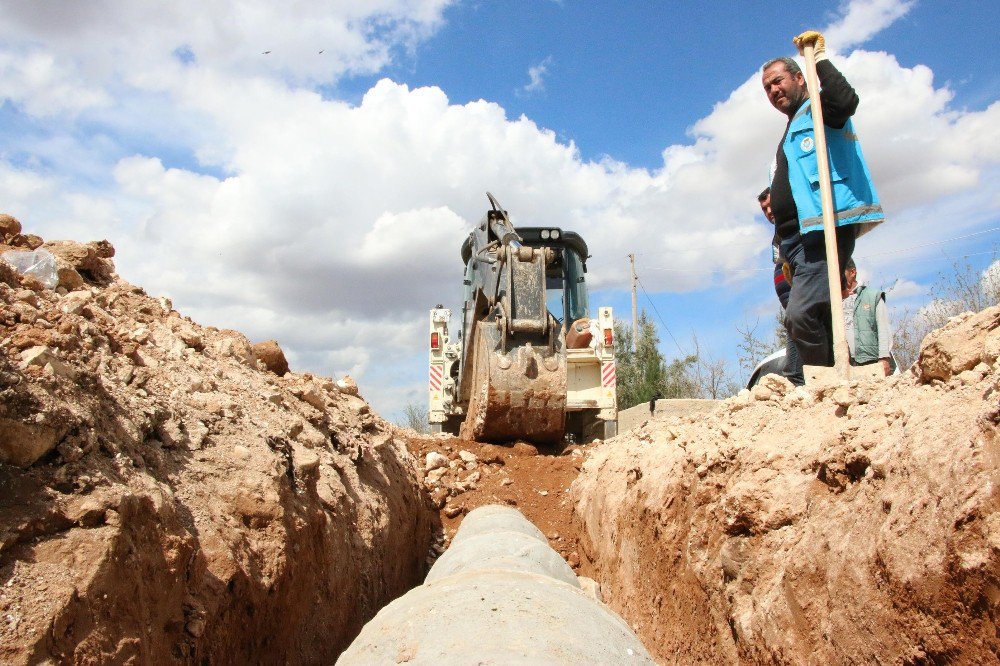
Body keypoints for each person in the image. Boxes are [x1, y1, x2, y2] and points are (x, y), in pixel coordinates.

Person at [762, 31, 884, 384]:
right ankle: (839, 381)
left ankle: (824, 385)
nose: (773, 91)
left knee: (799, 316)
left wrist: (818, 59)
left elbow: (845, 100)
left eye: (778, 82)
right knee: (820, 315)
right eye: (767, 88)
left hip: (821, 232)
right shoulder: (792, 126)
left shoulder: (818, 110)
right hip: (797, 244)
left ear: (799, 78)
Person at [758, 187, 803, 384]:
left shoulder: (795, 226)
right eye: (764, 210)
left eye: (770, 206)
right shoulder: (780, 236)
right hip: (793, 303)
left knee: (799, 326)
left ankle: (796, 379)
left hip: (800, 301)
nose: (768, 212)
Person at [841, 258, 892, 375]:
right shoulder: (834, 299)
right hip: (847, 363)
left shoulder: (873, 296)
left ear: (852, 272)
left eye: (842, 273)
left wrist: (884, 358)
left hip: (870, 360)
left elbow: (883, 328)